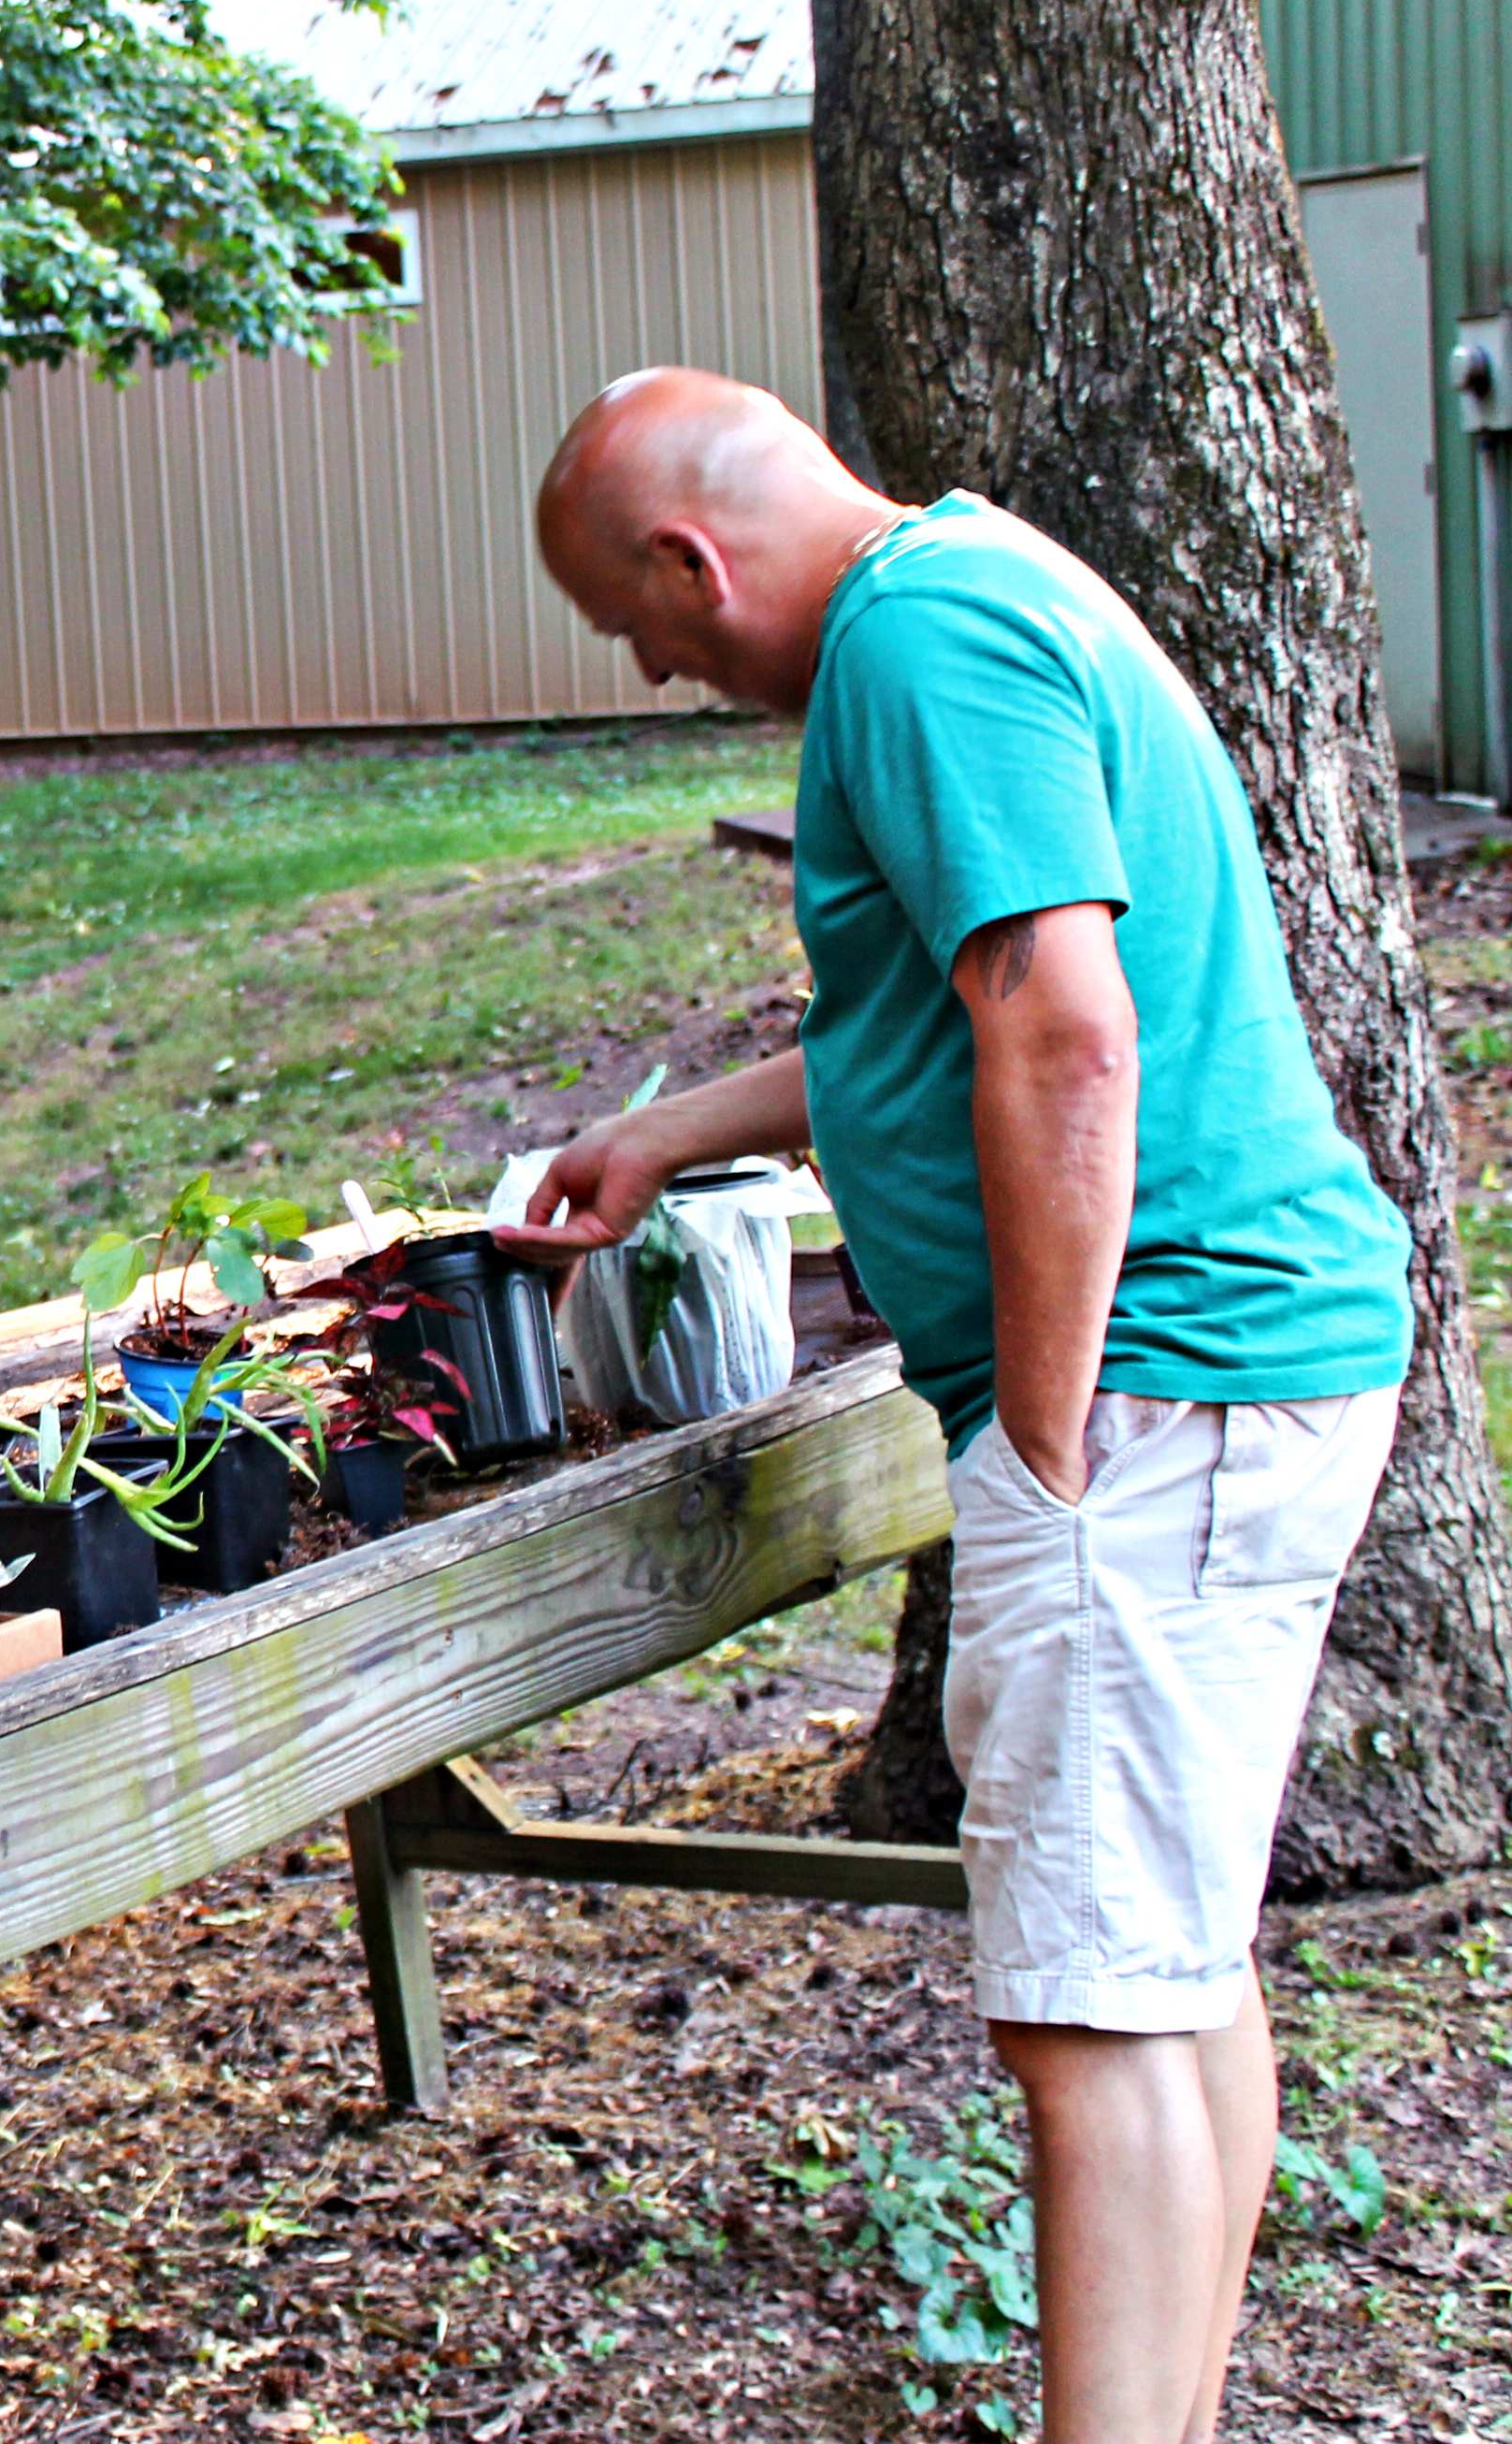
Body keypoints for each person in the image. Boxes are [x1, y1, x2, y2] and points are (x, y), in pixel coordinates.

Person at [502, 368, 1410, 2444]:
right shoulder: (984, 583)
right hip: (1230, 1371)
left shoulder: (917, 649)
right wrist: (671, 1129)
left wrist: (1049, 1428)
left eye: (639, 627)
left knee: (1094, 2024)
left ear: (689, 558)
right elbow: (946, 1009)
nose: (657, 665)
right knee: (1165, 1982)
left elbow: (1070, 1039)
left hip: (1161, 1385)